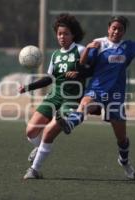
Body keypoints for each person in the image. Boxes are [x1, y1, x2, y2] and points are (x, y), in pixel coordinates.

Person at [57, 16, 135, 179]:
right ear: (108, 28)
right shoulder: (99, 43)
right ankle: (69, 124)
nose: (116, 31)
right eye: (113, 28)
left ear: (123, 32)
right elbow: (83, 64)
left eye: (120, 29)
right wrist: (88, 48)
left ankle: (124, 161)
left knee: (122, 138)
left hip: (116, 96)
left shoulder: (128, 46)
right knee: (85, 104)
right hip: (96, 89)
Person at [19, 13, 95, 179]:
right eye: (59, 34)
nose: (62, 37)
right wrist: (28, 87)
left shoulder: (80, 50)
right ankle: (40, 149)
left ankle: (34, 169)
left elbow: (93, 70)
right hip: (54, 96)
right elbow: (49, 79)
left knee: (48, 131)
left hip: (72, 99)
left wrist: (79, 73)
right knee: (31, 131)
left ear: (73, 34)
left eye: (66, 33)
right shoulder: (56, 55)